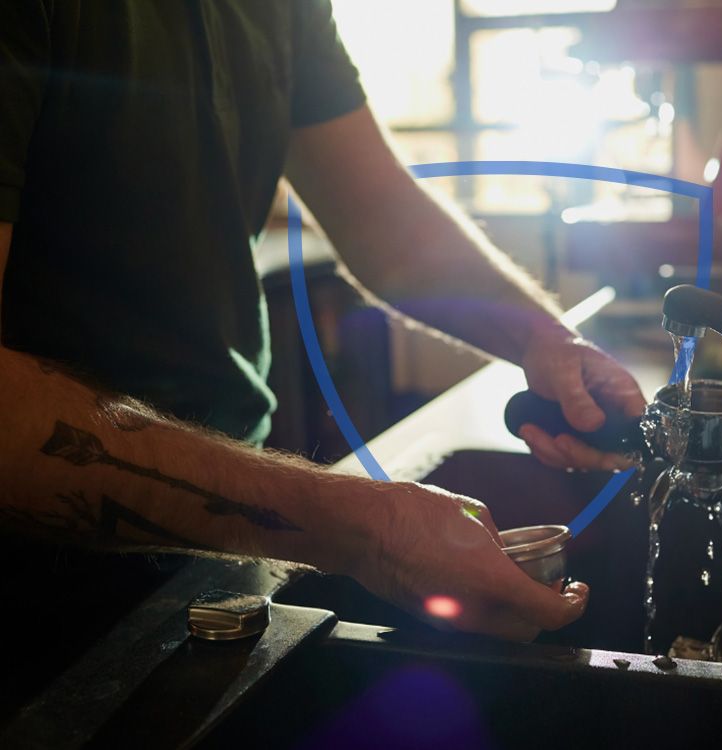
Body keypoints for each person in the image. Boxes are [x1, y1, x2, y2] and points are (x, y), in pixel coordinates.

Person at [0, 1, 645, 642]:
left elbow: (380, 216)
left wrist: (543, 337)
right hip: (35, 573)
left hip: (227, 536)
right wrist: (364, 527)